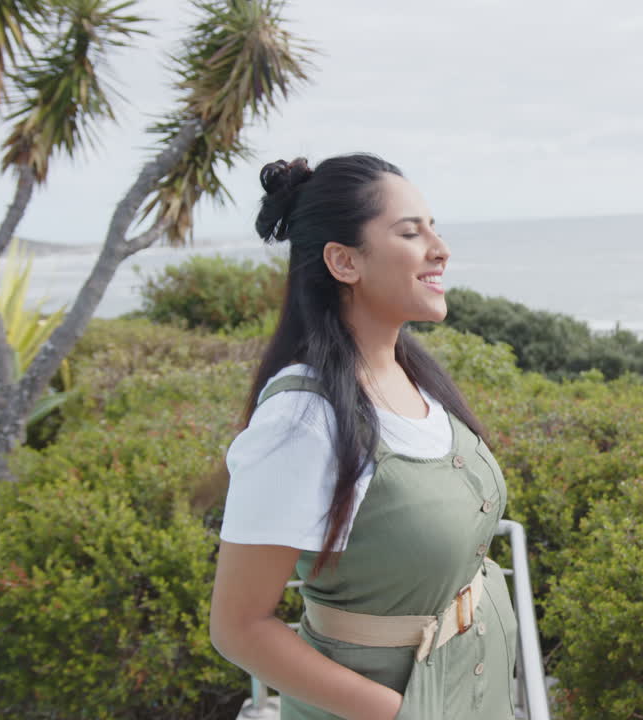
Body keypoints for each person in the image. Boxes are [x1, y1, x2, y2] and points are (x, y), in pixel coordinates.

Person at [209, 153, 518, 720]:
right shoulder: (304, 420)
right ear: (343, 261)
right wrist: (399, 713)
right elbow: (238, 627)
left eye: (434, 227)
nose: (439, 248)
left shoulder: (411, 374)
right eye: (410, 231)